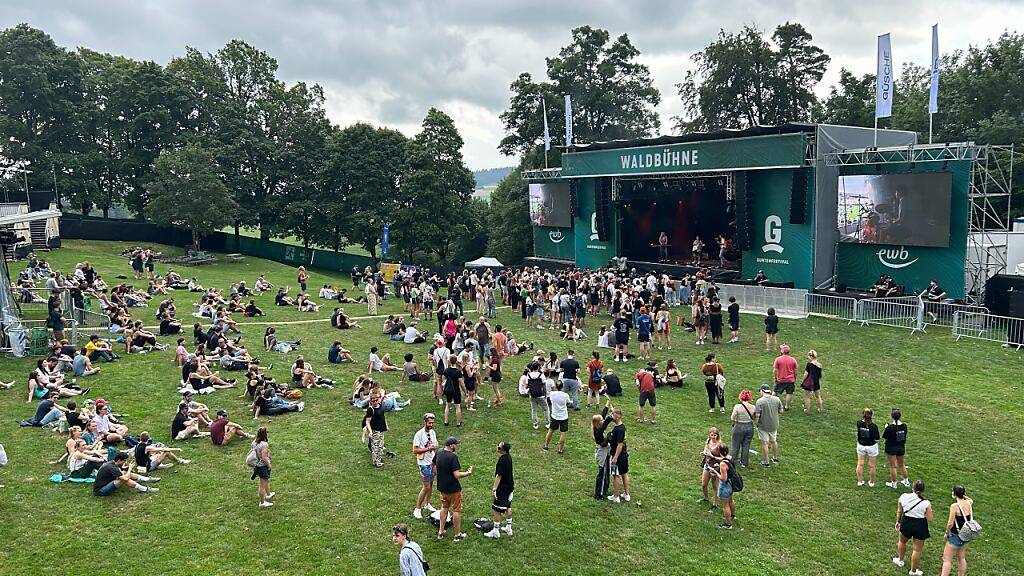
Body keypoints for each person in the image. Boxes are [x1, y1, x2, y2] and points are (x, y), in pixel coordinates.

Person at [435, 437, 473, 542]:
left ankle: (441, 531)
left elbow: (433, 465)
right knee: (456, 510)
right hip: (453, 489)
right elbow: (457, 474)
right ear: (451, 445)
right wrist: (467, 473)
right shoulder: (453, 457)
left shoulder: (439, 452)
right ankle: (457, 535)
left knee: (444, 507)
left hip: (442, 488)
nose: (456, 446)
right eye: (456, 444)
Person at [893, 480, 933, 576]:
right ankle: (913, 571)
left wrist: (898, 521)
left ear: (913, 488)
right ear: (923, 490)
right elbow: (930, 519)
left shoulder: (903, 497)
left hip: (906, 522)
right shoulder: (926, 502)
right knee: (917, 550)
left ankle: (900, 560)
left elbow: (899, 511)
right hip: (920, 525)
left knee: (902, 542)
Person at [940, 485, 974, 576]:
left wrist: (946, 533)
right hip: (966, 535)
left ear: (954, 494)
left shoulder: (954, 506)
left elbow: (950, 523)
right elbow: (971, 499)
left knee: (947, 559)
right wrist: (963, 495)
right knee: (961, 557)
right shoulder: (969, 503)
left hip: (955, 535)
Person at [484, 441, 515, 539]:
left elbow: (499, 476)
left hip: (502, 489)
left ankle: (496, 531)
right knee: (508, 507)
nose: (497, 447)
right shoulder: (509, 457)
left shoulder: (502, 460)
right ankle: (509, 528)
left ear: (502, 450)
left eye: (499, 447)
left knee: (496, 510)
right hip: (509, 487)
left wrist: (494, 489)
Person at [94, 451, 159, 496]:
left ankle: (146, 479)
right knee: (123, 479)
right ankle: (144, 489)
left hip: (107, 483)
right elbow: (125, 478)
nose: (125, 462)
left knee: (125, 473)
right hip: (101, 491)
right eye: (124, 460)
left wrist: (128, 467)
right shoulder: (111, 467)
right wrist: (130, 468)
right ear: (119, 460)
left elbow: (122, 470)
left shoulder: (113, 463)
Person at [412, 413, 439, 520]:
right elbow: (415, 450)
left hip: (432, 462)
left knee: (431, 484)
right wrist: (428, 449)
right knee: (426, 487)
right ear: (425, 422)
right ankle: (417, 509)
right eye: (429, 423)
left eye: (432, 423)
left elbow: (435, 444)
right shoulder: (419, 434)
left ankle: (427, 504)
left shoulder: (432, 433)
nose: (431, 425)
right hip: (423, 464)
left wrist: (435, 446)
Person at [754, 383, 783, 467]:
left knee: (765, 443)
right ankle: (775, 458)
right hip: (774, 425)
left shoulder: (759, 401)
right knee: (773, 441)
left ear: (762, 391)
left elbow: (757, 415)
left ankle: (766, 462)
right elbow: (781, 411)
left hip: (763, 426)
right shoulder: (777, 399)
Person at [592, 398, 614, 499]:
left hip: (604, 452)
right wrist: (611, 417)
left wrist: (607, 404)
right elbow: (604, 424)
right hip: (602, 453)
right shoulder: (598, 431)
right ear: (598, 423)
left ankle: (605, 489)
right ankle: (599, 493)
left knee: (606, 471)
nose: (603, 420)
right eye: (601, 420)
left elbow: (602, 415)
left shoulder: (597, 426)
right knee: (602, 471)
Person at [883, 409, 911, 489]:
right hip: (901, 447)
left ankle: (894, 483)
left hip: (891, 448)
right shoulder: (904, 426)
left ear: (892, 416)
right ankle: (906, 481)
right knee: (902, 465)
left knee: (893, 466)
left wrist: (886, 428)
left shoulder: (890, 427)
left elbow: (885, 438)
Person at [607, 407, 630, 503]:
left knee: (616, 475)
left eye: (612, 415)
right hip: (624, 455)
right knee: (624, 473)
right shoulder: (622, 427)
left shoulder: (618, 430)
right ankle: (626, 494)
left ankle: (616, 496)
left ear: (617, 417)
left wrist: (615, 458)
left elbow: (620, 445)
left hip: (617, 456)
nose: (611, 416)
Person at [698, 427, 724, 511]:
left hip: (715, 467)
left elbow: (723, 458)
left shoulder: (720, 445)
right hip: (707, 465)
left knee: (715, 486)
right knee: (704, 484)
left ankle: (715, 504)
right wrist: (704, 453)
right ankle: (706, 498)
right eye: (711, 435)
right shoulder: (708, 441)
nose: (713, 437)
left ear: (718, 435)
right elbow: (706, 449)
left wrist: (712, 456)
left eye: (715, 435)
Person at [248, 427, 274, 508]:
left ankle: (269, 494)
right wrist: (269, 465)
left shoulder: (254, 442)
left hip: (257, 465)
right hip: (262, 466)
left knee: (266, 480)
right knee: (262, 485)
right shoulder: (264, 445)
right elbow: (264, 457)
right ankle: (262, 503)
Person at [730, 389, 756, 468]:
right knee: (746, 445)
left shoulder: (738, 406)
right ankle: (744, 463)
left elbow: (732, 417)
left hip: (739, 426)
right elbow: (754, 418)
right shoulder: (753, 407)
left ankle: (733, 461)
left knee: (735, 445)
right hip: (749, 426)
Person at [364, 393, 391, 468]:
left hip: (381, 430)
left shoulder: (381, 406)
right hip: (375, 431)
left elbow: (383, 416)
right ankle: (376, 462)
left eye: (376, 400)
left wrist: (386, 425)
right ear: (370, 401)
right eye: (373, 401)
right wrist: (370, 431)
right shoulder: (370, 409)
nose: (375, 402)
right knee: (375, 447)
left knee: (381, 445)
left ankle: (378, 460)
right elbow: (367, 421)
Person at [544, 380, 571, 454]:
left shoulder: (552, 394)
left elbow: (550, 399)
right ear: (562, 387)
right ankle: (560, 449)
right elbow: (568, 403)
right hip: (563, 416)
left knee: (550, 431)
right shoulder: (565, 395)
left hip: (555, 415)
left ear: (555, 386)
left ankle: (546, 445)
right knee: (563, 433)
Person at [856, 408, 881, 487]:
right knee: (872, 466)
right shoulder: (874, 427)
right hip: (871, 447)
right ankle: (871, 482)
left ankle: (860, 481)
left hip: (861, 445)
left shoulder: (859, 423)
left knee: (860, 464)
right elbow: (877, 438)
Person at [772, 344, 798, 412]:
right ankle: (786, 406)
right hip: (790, 380)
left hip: (780, 379)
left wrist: (776, 377)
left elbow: (775, 370)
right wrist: (794, 378)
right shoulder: (793, 360)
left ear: (782, 351)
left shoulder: (778, 359)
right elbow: (795, 371)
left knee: (775, 392)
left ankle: (773, 404)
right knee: (789, 393)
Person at [441, 354, 463, 427]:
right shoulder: (458, 372)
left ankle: (446, 421)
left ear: (449, 361)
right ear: (456, 362)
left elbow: (443, 379)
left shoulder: (446, 370)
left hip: (448, 390)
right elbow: (461, 382)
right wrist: (465, 391)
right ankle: (458, 423)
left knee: (447, 405)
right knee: (457, 406)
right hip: (456, 390)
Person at [525, 364, 548, 430]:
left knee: (534, 410)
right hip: (540, 395)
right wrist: (545, 394)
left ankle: (535, 424)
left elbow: (526, 386)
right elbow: (544, 386)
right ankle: (547, 423)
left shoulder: (528, 375)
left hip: (532, 395)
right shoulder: (541, 375)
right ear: (538, 367)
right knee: (546, 409)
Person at [802, 349, 824, 414]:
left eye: (808, 356)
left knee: (807, 397)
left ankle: (807, 410)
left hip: (809, 382)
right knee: (818, 396)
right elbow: (819, 375)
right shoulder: (819, 365)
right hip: (816, 382)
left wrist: (803, 381)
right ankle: (821, 409)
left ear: (811, 356)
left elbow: (805, 374)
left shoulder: (809, 364)